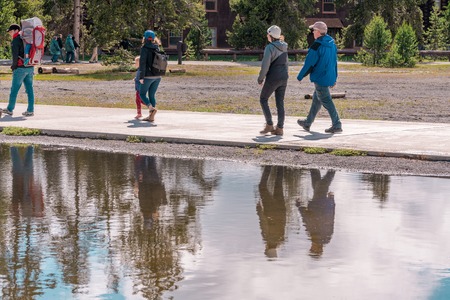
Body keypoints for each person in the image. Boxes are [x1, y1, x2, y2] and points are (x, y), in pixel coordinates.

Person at [297, 21, 342, 133]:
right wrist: (335, 77)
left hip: (320, 77)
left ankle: (337, 124)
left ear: (318, 32)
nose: (312, 32)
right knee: (317, 99)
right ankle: (307, 123)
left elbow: (309, 63)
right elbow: (334, 62)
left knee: (326, 100)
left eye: (313, 30)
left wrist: (300, 76)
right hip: (328, 76)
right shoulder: (332, 44)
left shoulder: (317, 45)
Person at [257, 25, 289, 136]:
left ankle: (269, 124)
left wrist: (261, 78)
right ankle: (280, 128)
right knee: (280, 102)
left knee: (263, 99)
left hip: (273, 77)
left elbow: (265, 65)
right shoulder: (285, 46)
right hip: (284, 77)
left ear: (270, 35)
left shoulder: (270, 47)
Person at [297, 169, 336, 258]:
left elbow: (307, 219)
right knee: (322, 183)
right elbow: (308, 219)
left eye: (311, 249)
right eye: (313, 250)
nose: (311, 248)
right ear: (319, 249)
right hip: (320, 204)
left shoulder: (314, 237)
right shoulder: (320, 236)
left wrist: (331, 201)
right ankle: (333, 167)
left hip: (317, 204)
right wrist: (299, 206)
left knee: (316, 183)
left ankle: (314, 166)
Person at [2, 24, 35, 117]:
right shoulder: (26, 39)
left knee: (14, 89)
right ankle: (30, 110)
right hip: (30, 66)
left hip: (20, 68)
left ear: (16, 30)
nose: (10, 33)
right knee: (30, 89)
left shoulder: (16, 40)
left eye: (11, 31)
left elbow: (15, 55)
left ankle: (10, 109)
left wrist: (14, 66)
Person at [139, 30, 162, 122]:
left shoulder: (144, 48)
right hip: (158, 76)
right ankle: (151, 117)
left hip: (148, 76)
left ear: (144, 38)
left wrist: (141, 77)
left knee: (142, 94)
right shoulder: (157, 48)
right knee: (152, 94)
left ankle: (151, 109)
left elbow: (143, 63)